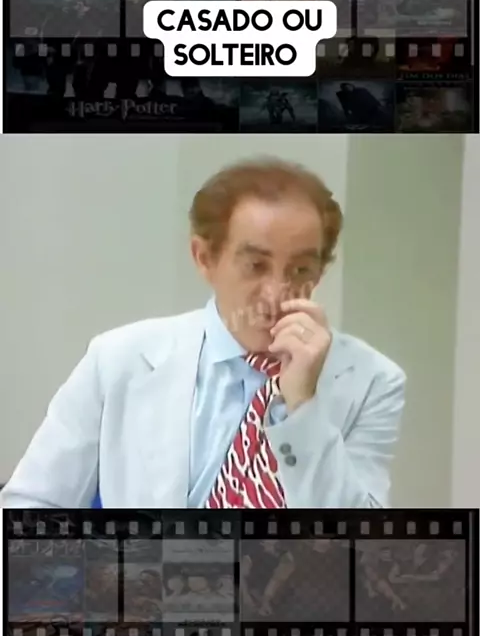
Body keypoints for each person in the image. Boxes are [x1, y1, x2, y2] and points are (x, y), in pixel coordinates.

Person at [1, 159, 406, 509]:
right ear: (204, 258)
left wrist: (303, 408)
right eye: (256, 266)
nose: (277, 292)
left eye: (301, 269)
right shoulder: (118, 359)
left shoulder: (373, 380)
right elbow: (29, 506)